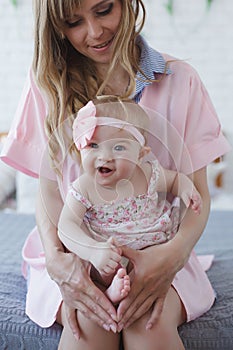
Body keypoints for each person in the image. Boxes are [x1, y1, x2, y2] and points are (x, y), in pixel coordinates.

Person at [0, 0, 231, 349]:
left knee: (147, 323)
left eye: (104, 10)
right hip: (76, 247)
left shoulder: (180, 80)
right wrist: (58, 260)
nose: (94, 32)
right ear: (56, 27)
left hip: (159, 246)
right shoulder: (47, 81)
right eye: (74, 22)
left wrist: (173, 255)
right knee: (93, 324)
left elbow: (196, 194)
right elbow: (48, 196)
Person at [58, 97, 202, 309]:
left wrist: (187, 188)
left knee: (154, 262)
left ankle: (127, 286)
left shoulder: (147, 173)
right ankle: (110, 289)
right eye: (93, 145)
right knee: (102, 266)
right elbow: (66, 226)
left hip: (152, 248)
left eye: (118, 148)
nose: (104, 156)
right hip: (109, 251)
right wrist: (92, 250)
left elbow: (174, 180)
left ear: (141, 154)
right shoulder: (84, 187)